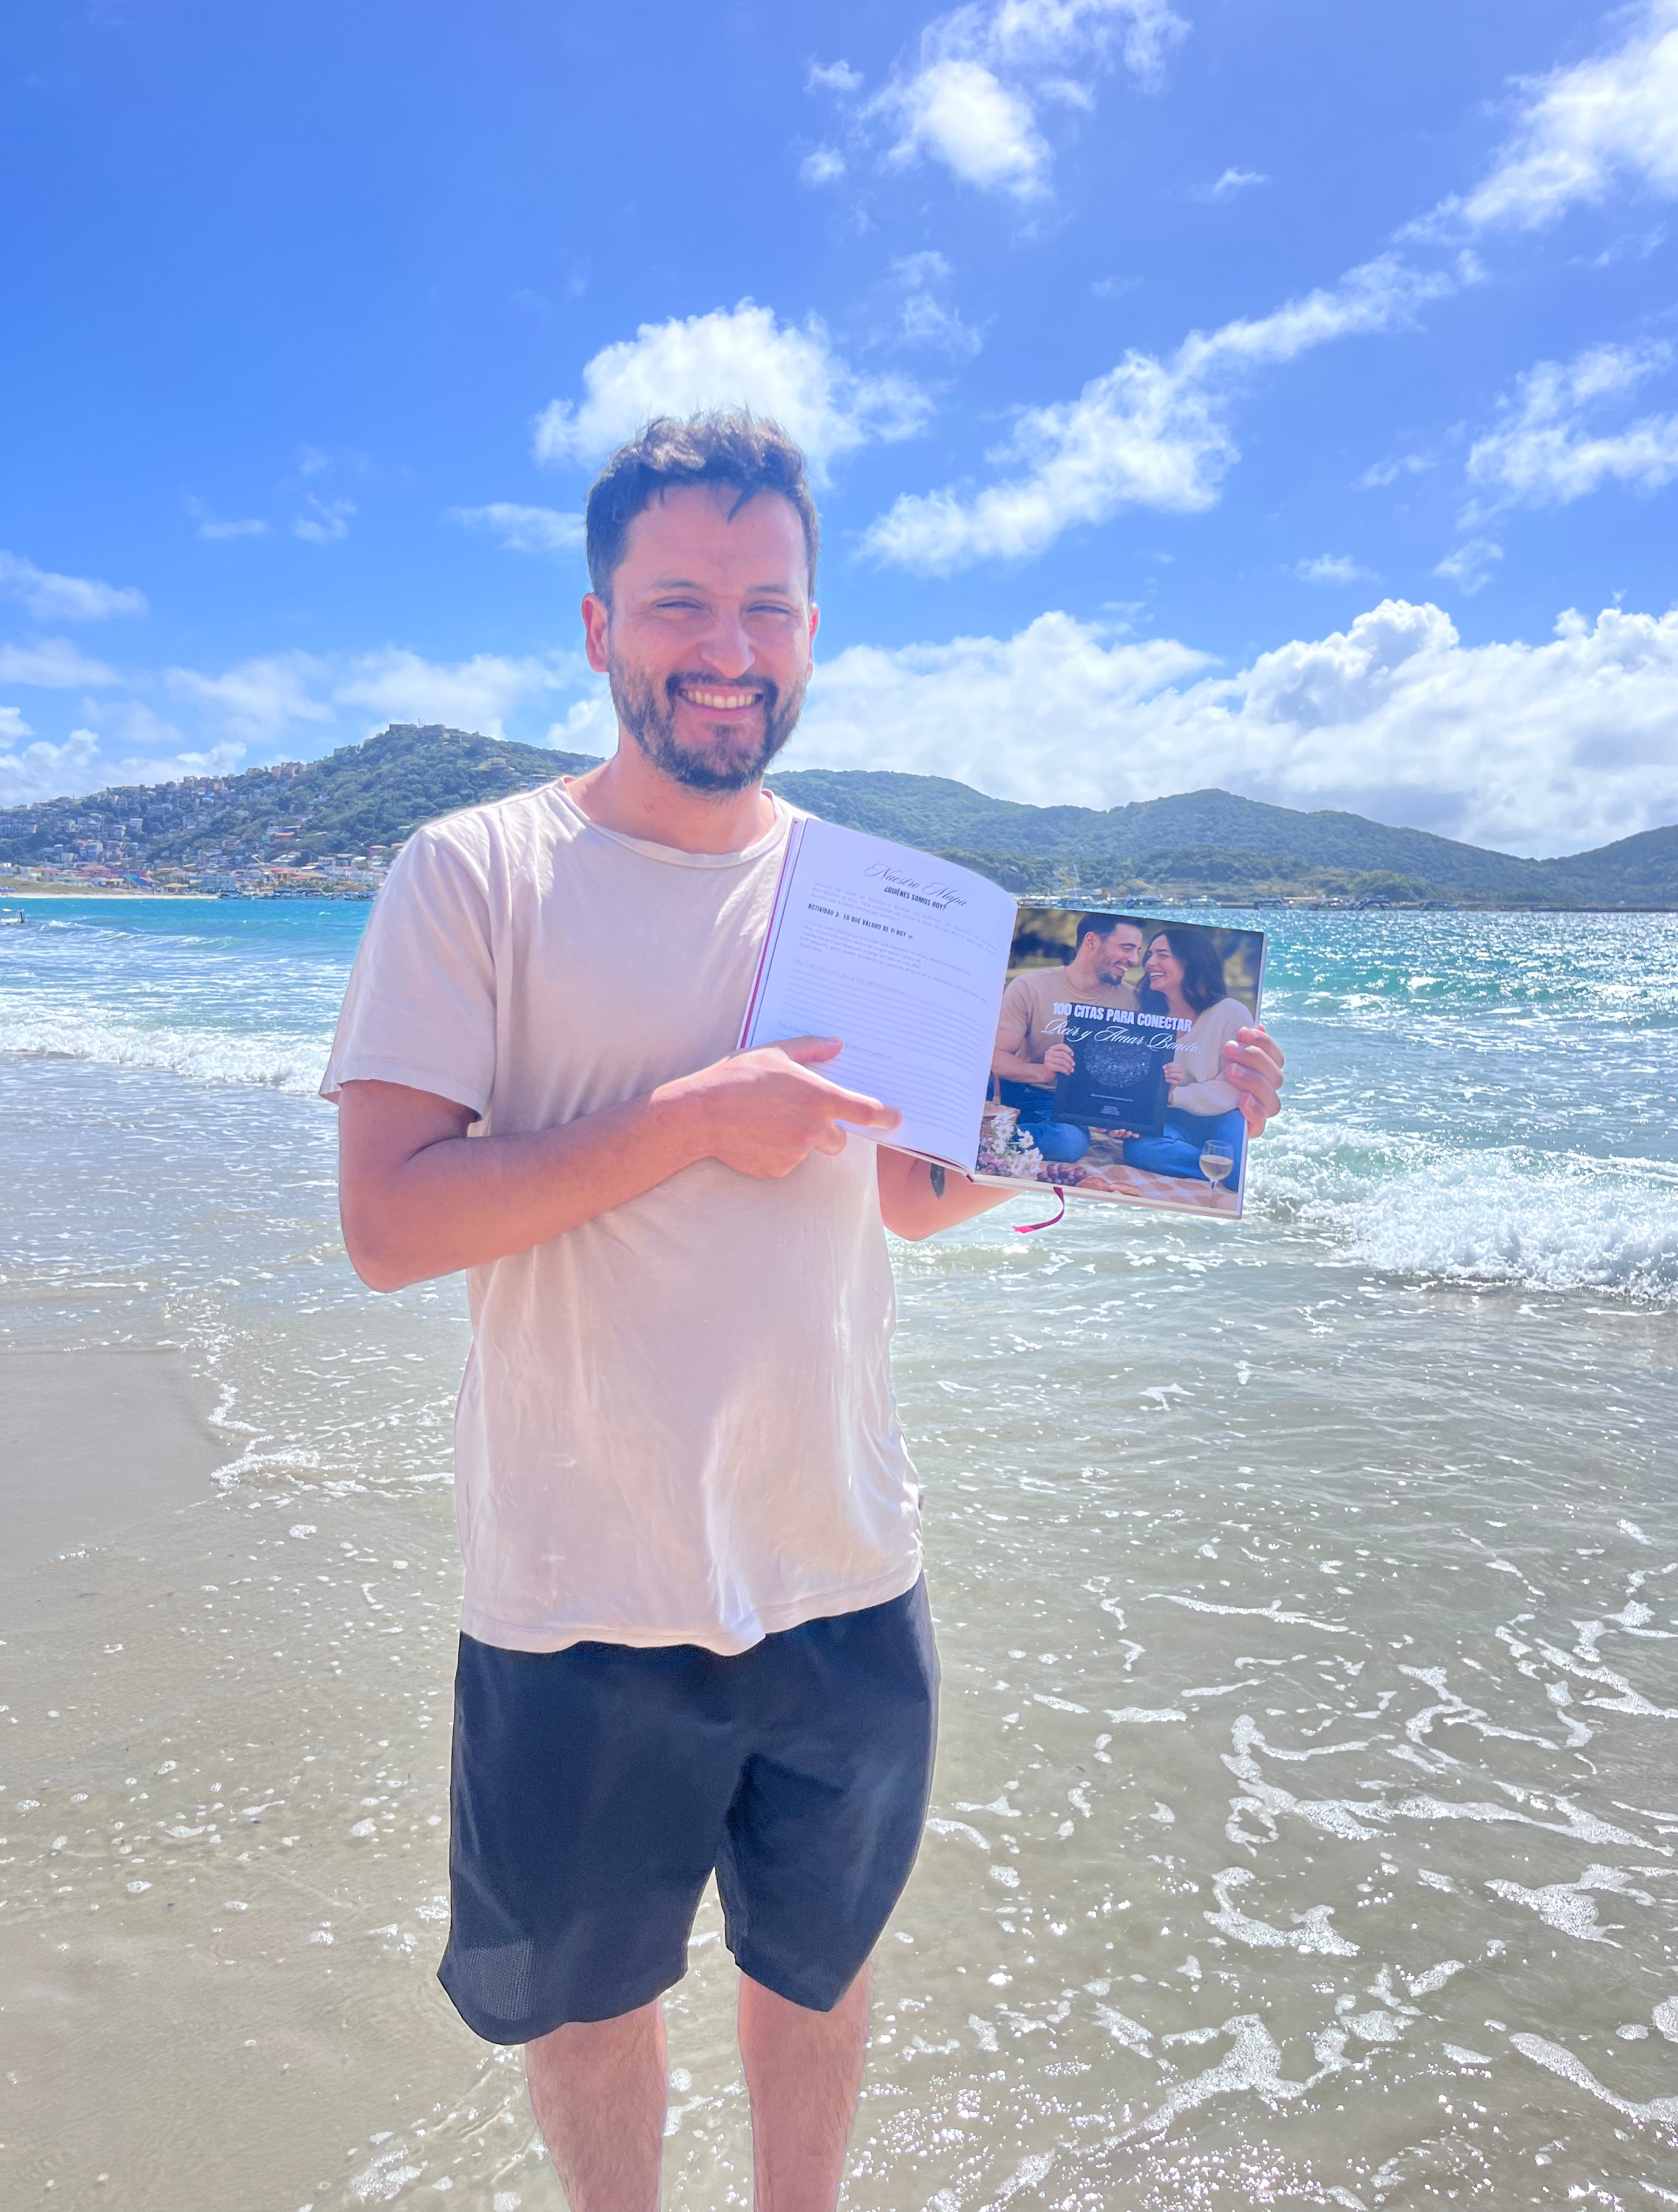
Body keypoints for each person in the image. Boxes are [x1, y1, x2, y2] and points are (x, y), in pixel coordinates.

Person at [322, 411, 1288, 2212]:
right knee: (593, 2004)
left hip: (841, 1565)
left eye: (769, 608)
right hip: (580, 1586)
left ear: (815, 635)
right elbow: (388, 1222)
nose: (727, 649)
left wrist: (1161, 1121)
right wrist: (695, 1121)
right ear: (598, 623)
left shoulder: (889, 904)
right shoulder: (473, 874)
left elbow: (918, 1198)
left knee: (815, 1972)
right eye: (680, 602)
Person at [989, 912, 1149, 1163]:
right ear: (1092, 941)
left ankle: (990, 1138)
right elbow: (995, 1059)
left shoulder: (1132, 1002)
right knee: (1067, 1142)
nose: (1134, 960)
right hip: (1031, 1092)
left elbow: (1127, 1074)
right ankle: (985, 1138)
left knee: (1068, 1142)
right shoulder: (1030, 987)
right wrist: (1043, 1071)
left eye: (1137, 950)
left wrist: (1119, 1118)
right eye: (1127, 948)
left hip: (1085, 1104)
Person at [1120, 925, 1254, 1183]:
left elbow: (1235, 1087)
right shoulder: (1145, 1015)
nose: (1150, 963)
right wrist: (1128, 1117)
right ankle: (1216, 1169)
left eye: (1162, 955)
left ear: (1191, 961)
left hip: (1223, 1115)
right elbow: (1135, 1079)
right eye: (1149, 955)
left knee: (1236, 1171)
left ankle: (1223, 1170)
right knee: (1140, 1149)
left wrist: (1172, 1095)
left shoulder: (1231, 1013)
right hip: (1168, 1118)